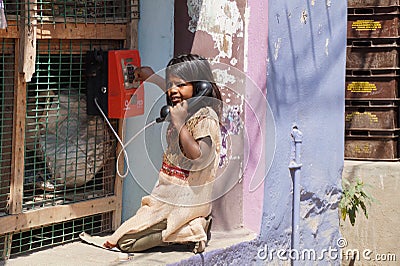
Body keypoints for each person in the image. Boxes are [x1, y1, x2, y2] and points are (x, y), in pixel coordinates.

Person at [103, 54, 223, 254]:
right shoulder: (182, 106)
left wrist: (179, 123)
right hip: (166, 197)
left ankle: (191, 230)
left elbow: (201, 156)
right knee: (122, 234)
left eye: (181, 85)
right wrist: (150, 77)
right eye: (170, 84)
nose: (174, 90)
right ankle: (181, 227)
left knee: (126, 242)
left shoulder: (205, 118)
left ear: (201, 87)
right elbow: (172, 90)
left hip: (186, 202)